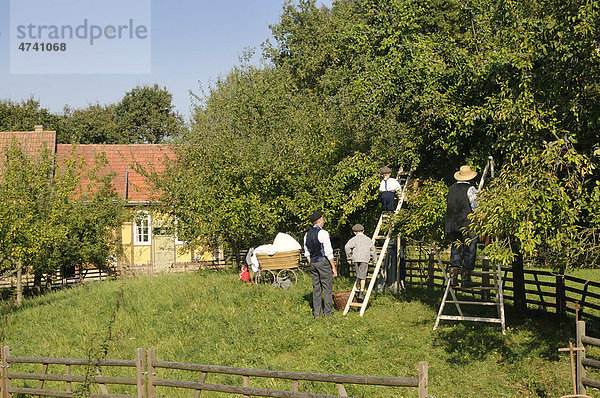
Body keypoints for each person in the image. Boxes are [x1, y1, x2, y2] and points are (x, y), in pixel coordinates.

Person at [445, 165, 479, 288]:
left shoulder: (451, 188)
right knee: (470, 248)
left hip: (454, 223)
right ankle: (466, 277)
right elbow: (476, 206)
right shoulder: (471, 189)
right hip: (467, 224)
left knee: (456, 248)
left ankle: (453, 278)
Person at [304, 210, 338, 317]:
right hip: (323, 262)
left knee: (316, 289)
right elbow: (328, 252)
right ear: (319, 220)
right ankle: (328, 313)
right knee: (327, 288)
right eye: (322, 219)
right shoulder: (323, 233)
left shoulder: (307, 235)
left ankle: (317, 313)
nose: (323, 221)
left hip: (313, 263)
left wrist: (312, 263)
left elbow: (307, 253)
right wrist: (333, 267)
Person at [344, 224, 377, 301]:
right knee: (363, 275)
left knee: (359, 274)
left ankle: (359, 288)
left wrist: (349, 257)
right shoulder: (368, 239)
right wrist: (375, 260)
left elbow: (347, 247)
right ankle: (361, 292)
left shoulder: (353, 239)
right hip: (364, 258)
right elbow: (373, 250)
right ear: (363, 231)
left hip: (356, 258)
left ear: (355, 232)